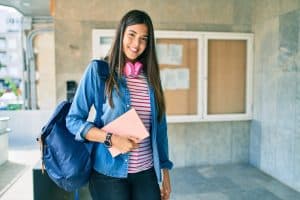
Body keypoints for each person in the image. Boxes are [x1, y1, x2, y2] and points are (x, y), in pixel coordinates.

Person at [66, 9, 173, 200]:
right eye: (132, 35)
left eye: (143, 38)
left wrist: (164, 170)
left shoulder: (152, 78)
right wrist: (112, 139)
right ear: (121, 34)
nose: (136, 44)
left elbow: (160, 128)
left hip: (146, 173)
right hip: (108, 175)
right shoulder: (99, 72)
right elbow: (73, 120)